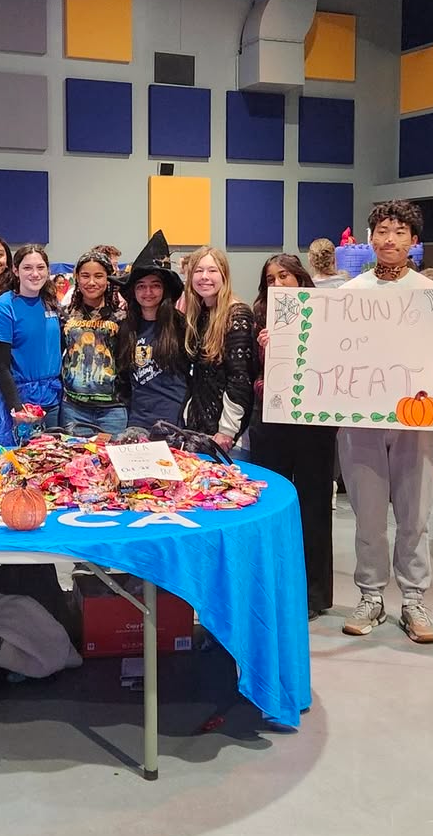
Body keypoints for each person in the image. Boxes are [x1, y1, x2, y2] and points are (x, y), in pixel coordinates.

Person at [338, 200, 433, 645]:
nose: (389, 239)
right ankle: (371, 596)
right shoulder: (349, 294)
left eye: (399, 232)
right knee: (368, 517)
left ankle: (413, 599)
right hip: (361, 420)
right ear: (370, 238)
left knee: (414, 516)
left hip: (416, 418)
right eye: (382, 231)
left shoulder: (430, 297)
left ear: (413, 240)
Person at [251, 253, 339, 620]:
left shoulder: (327, 315)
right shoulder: (258, 317)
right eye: (270, 278)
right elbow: (247, 376)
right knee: (270, 505)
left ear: (301, 279)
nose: (277, 283)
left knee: (313, 506)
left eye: (284, 276)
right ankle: (270, 589)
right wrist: (263, 352)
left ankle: (312, 595)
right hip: (271, 423)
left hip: (314, 424)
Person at [0, 244, 63, 447]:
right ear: (16, 271)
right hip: (21, 401)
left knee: (52, 458)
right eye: (27, 268)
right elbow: (0, 365)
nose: (35, 274)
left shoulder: (51, 303)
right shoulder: (4, 306)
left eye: (40, 267)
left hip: (53, 399)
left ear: (48, 271)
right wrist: (17, 408)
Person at [182, 246, 255, 454]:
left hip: (225, 436)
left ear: (224, 275)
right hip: (199, 427)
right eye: (198, 271)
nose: (204, 276)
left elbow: (240, 379)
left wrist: (227, 430)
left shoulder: (237, 315)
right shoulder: (200, 313)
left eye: (212, 270)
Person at [117, 231, 189, 430]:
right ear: (133, 291)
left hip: (173, 422)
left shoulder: (182, 326)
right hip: (137, 421)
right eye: (141, 286)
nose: (148, 292)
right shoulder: (126, 328)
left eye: (155, 286)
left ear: (164, 289)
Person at [60, 249, 126, 435]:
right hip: (74, 408)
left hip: (113, 410)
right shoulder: (65, 314)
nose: (91, 282)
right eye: (85, 276)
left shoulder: (121, 316)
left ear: (108, 279)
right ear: (77, 278)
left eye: (98, 276)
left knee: (111, 453)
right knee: (74, 454)